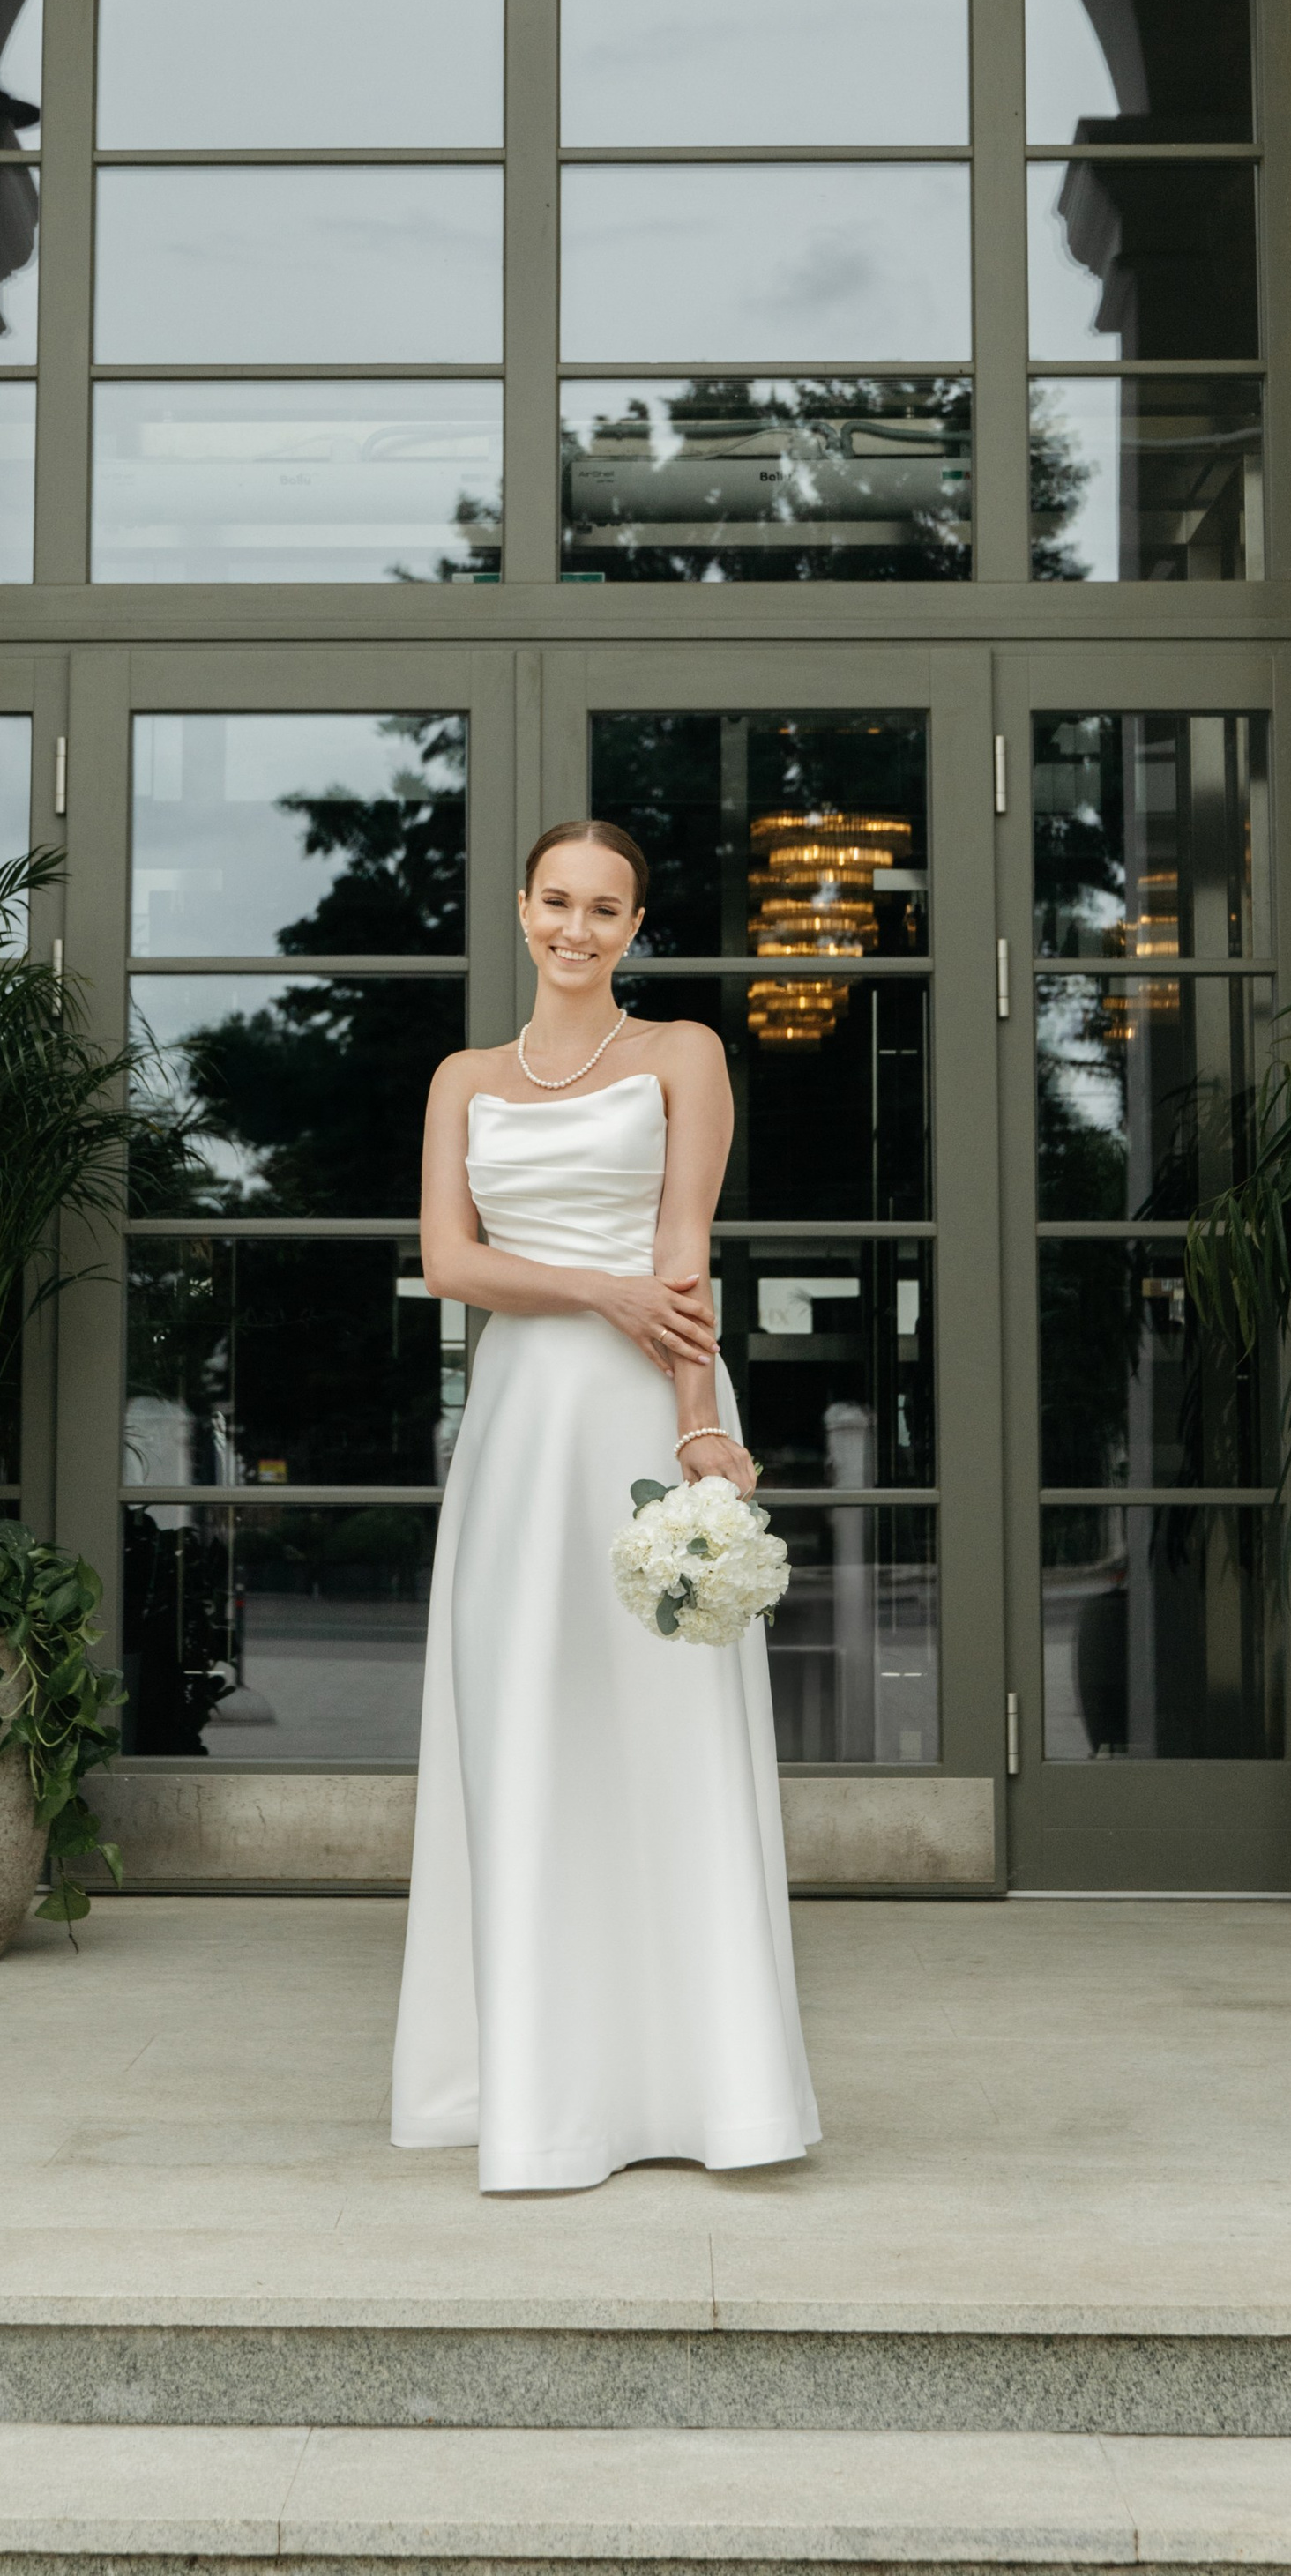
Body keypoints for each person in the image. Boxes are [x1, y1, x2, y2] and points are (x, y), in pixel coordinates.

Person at [391, 818, 819, 2192]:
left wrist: (700, 1427)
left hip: (644, 1406)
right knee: (521, 1727)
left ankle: (709, 2093)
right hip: (523, 1428)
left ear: (637, 926)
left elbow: (682, 1254)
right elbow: (451, 1261)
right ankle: (537, 2100)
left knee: (663, 1731)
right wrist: (597, 1289)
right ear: (523, 911)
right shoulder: (463, 1079)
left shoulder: (682, 1054)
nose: (579, 927)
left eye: (607, 907)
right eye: (557, 902)